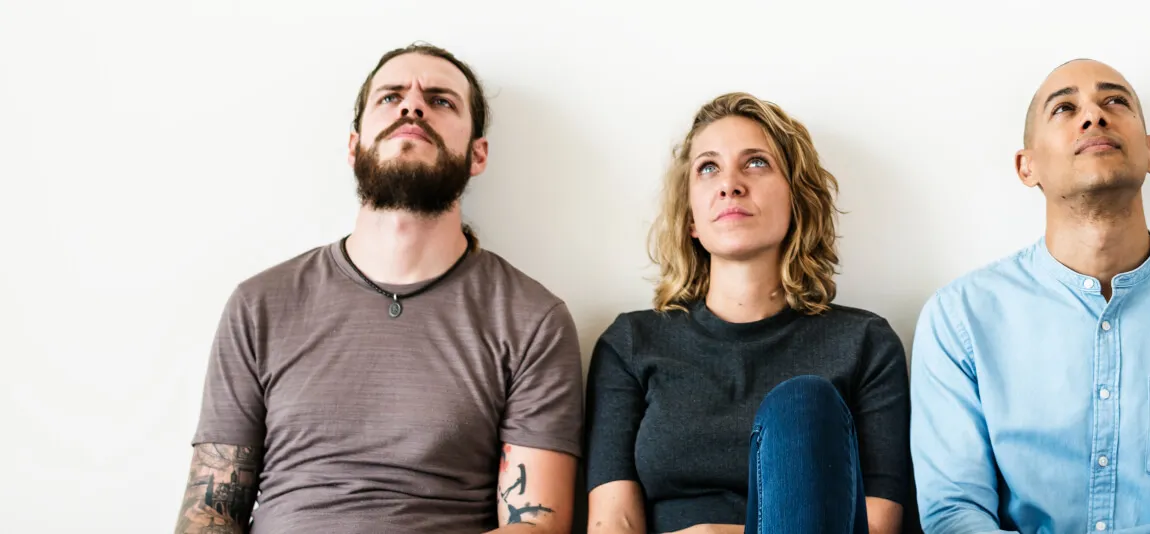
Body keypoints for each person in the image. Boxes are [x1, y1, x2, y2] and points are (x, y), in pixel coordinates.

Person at [178, 43, 581, 533]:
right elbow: (209, 513)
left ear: (478, 154)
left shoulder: (531, 319)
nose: (412, 106)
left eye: (441, 100)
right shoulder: (259, 305)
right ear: (354, 146)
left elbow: (535, 526)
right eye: (390, 98)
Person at [910, 59, 1150, 534]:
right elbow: (955, 513)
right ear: (1026, 166)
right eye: (1064, 108)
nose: (1094, 116)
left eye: (1115, 101)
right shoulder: (960, 320)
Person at [583, 92, 912, 534]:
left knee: (803, 404)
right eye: (708, 167)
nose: (730, 184)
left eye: (756, 162)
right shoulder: (631, 344)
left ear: (796, 199)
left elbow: (879, 520)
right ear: (692, 220)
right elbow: (612, 521)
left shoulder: (863, 343)